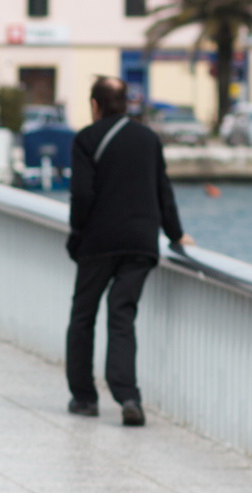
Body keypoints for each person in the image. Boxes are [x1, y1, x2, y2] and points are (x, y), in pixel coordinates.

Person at [65, 76, 193, 425]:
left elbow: (82, 194)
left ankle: (84, 398)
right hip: (140, 243)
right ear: (126, 103)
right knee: (122, 315)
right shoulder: (149, 139)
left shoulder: (86, 139)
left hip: (98, 242)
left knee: (83, 316)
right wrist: (177, 234)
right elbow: (163, 191)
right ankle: (129, 397)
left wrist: (76, 235)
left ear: (95, 105)